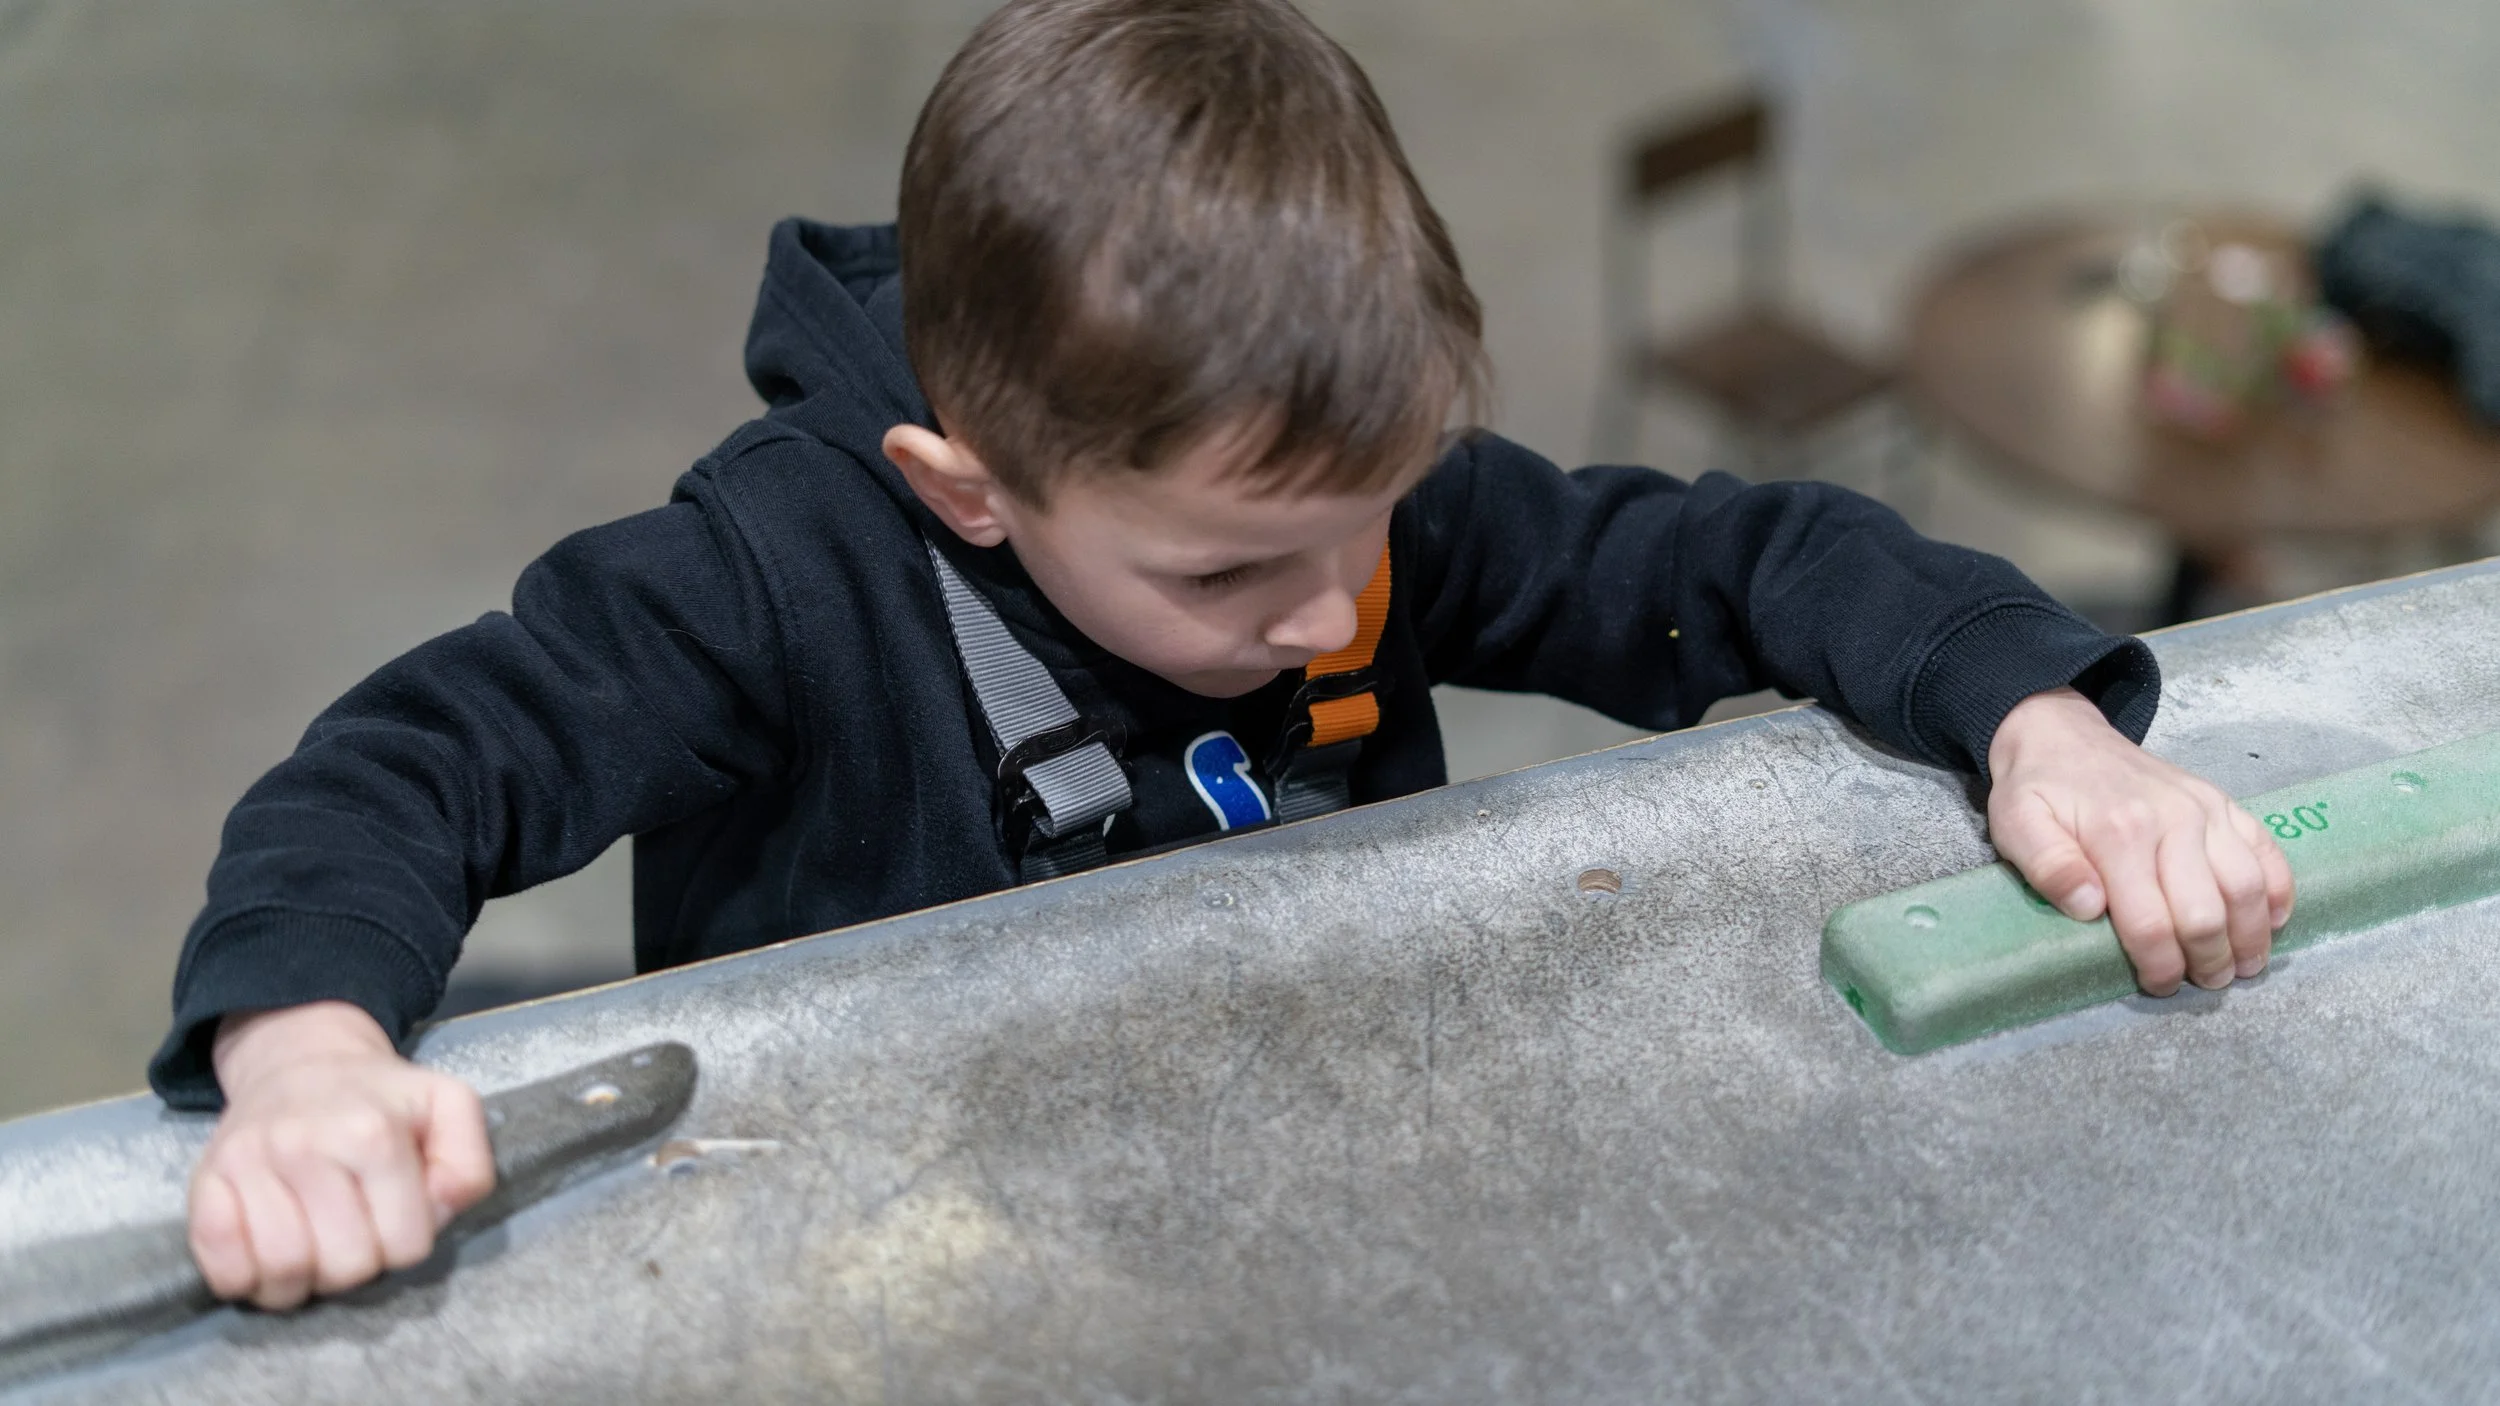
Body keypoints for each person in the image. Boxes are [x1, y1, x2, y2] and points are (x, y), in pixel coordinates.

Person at [154, 0, 2293, 1314]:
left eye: (1369, 525)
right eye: (1229, 577)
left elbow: (1735, 556)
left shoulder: (1334, 509)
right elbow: (404, 769)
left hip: (1301, 1196)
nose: (1325, 610)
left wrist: (2036, 727)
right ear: (966, 479)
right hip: (860, 1244)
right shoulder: (769, 583)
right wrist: (313, 1056)